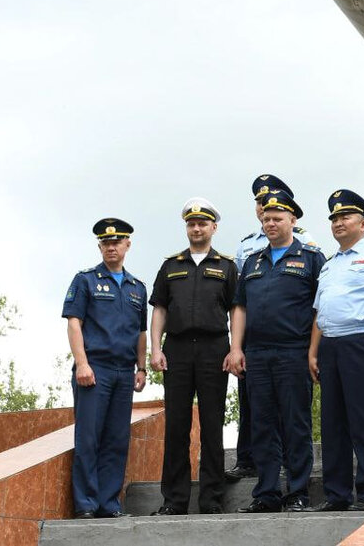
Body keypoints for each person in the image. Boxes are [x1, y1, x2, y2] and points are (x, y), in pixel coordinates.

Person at [224, 190, 326, 513]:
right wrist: (236, 348)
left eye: (277, 218)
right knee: (263, 425)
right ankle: (266, 494)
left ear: (293, 220)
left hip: (293, 352)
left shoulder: (311, 258)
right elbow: (239, 307)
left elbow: (319, 309)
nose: (270, 223)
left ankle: (297, 492)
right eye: (266, 218)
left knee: (296, 424)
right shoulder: (253, 261)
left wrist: (313, 352)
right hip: (257, 354)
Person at [306, 190, 364, 512]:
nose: (338, 222)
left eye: (345, 217)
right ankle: (337, 494)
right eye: (334, 218)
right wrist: (313, 352)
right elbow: (321, 312)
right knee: (333, 423)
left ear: (363, 223)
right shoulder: (329, 265)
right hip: (330, 346)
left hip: (363, 343)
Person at [148, 197, 239, 515]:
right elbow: (159, 308)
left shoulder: (226, 266)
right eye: (191, 223)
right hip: (177, 349)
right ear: (186, 227)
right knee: (177, 425)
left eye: (202, 223)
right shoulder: (170, 265)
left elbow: (236, 310)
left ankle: (211, 499)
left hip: (215, 348)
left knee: (212, 424)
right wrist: (155, 348)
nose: (196, 227)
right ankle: (174, 500)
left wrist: (235, 347)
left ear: (214, 227)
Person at [62, 218, 148, 519]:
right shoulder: (85, 279)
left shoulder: (138, 288)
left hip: (124, 372)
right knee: (89, 438)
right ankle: (86, 504)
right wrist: (82, 364)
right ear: (100, 246)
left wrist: (141, 368)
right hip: (94, 369)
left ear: (127, 245)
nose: (111, 247)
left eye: (117, 242)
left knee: (116, 439)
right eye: (105, 243)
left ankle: (109, 503)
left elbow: (141, 332)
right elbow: (74, 323)